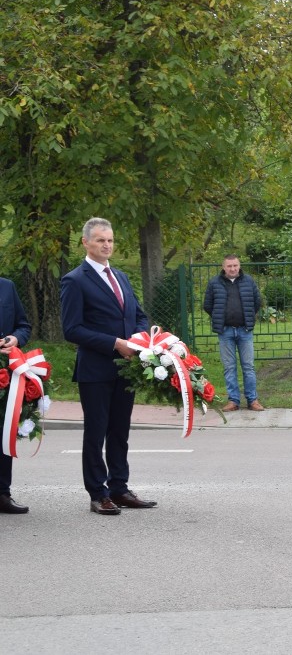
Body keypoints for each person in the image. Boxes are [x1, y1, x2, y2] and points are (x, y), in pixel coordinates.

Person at [60, 217, 155, 516]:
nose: (107, 245)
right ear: (86, 242)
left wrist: (139, 339)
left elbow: (138, 315)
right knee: (96, 432)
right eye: (100, 240)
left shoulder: (121, 277)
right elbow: (72, 329)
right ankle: (98, 494)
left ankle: (119, 488)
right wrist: (115, 343)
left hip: (126, 368)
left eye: (110, 240)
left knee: (119, 431)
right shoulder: (75, 280)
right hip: (95, 370)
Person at [203, 255, 264, 412]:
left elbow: (257, 302)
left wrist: (247, 317)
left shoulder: (248, 281)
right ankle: (233, 401)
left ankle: (252, 400)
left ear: (239, 266)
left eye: (235, 265)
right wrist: (220, 317)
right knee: (229, 367)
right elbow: (208, 305)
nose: (232, 269)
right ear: (224, 267)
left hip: (245, 330)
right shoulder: (214, 283)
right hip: (225, 332)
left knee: (248, 366)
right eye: (229, 266)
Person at [0, 278, 33, 515]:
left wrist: (16, 338)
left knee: (3, 431)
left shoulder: (7, 286)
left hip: (5, 370)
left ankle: (2, 493)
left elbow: (23, 325)